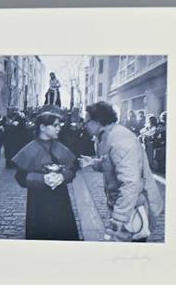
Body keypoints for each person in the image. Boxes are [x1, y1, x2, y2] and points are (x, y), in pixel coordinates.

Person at [80, 101, 161, 242]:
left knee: (133, 251)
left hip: (133, 206)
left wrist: (118, 217)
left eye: (86, 121)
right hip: (125, 204)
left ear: (97, 122)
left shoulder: (119, 140)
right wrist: (93, 163)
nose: (84, 125)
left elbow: (130, 183)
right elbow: (111, 163)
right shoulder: (104, 137)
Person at [11, 112, 79, 240]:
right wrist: (42, 179)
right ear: (42, 127)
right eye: (55, 125)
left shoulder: (61, 147)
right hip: (38, 202)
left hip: (61, 199)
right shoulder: (30, 149)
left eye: (60, 125)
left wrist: (63, 177)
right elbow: (20, 177)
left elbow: (73, 169)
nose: (59, 128)